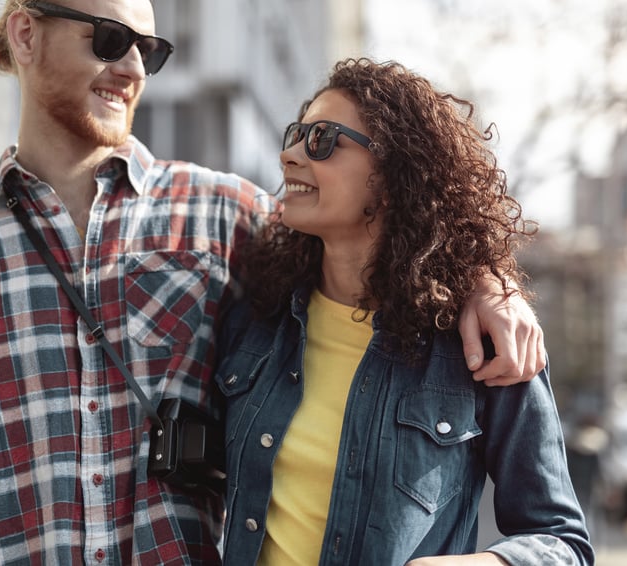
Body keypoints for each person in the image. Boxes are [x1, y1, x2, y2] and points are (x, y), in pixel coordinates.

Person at [0, 2, 545, 564]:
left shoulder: (225, 215)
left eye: (149, 51)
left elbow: (389, 235)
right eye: (110, 39)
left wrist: (491, 282)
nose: (131, 67)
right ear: (25, 32)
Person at [216, 58, 593, 565]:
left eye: (323, 139)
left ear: (393, 174)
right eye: (295, 134)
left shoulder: (484, 342)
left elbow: (561, 541)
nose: (290, 155)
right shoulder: (256, 313)